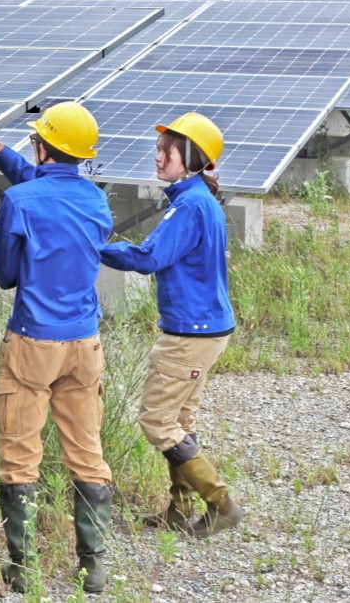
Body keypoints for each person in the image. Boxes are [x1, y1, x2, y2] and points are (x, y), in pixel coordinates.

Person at [0, 101, 114, 595]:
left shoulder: (21, 203)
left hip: (33, 342)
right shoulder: (98, 202)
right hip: (84, 343)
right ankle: (93, 567)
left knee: (19, 453)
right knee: (87, 451)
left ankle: (23, 567)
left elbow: (5, 272)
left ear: (39, 146)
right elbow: (52, 189)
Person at [99, 112, 244, 538]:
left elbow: (148, 258)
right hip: (203, 328)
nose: (158, 154)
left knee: (157, 422)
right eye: (160, 147)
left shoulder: (191, 205)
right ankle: (180, 510)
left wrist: (94, 247)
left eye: (169, 149)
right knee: (180, 419)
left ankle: (221, 505)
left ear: (193, 157)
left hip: (190, 333)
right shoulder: (197, 200)